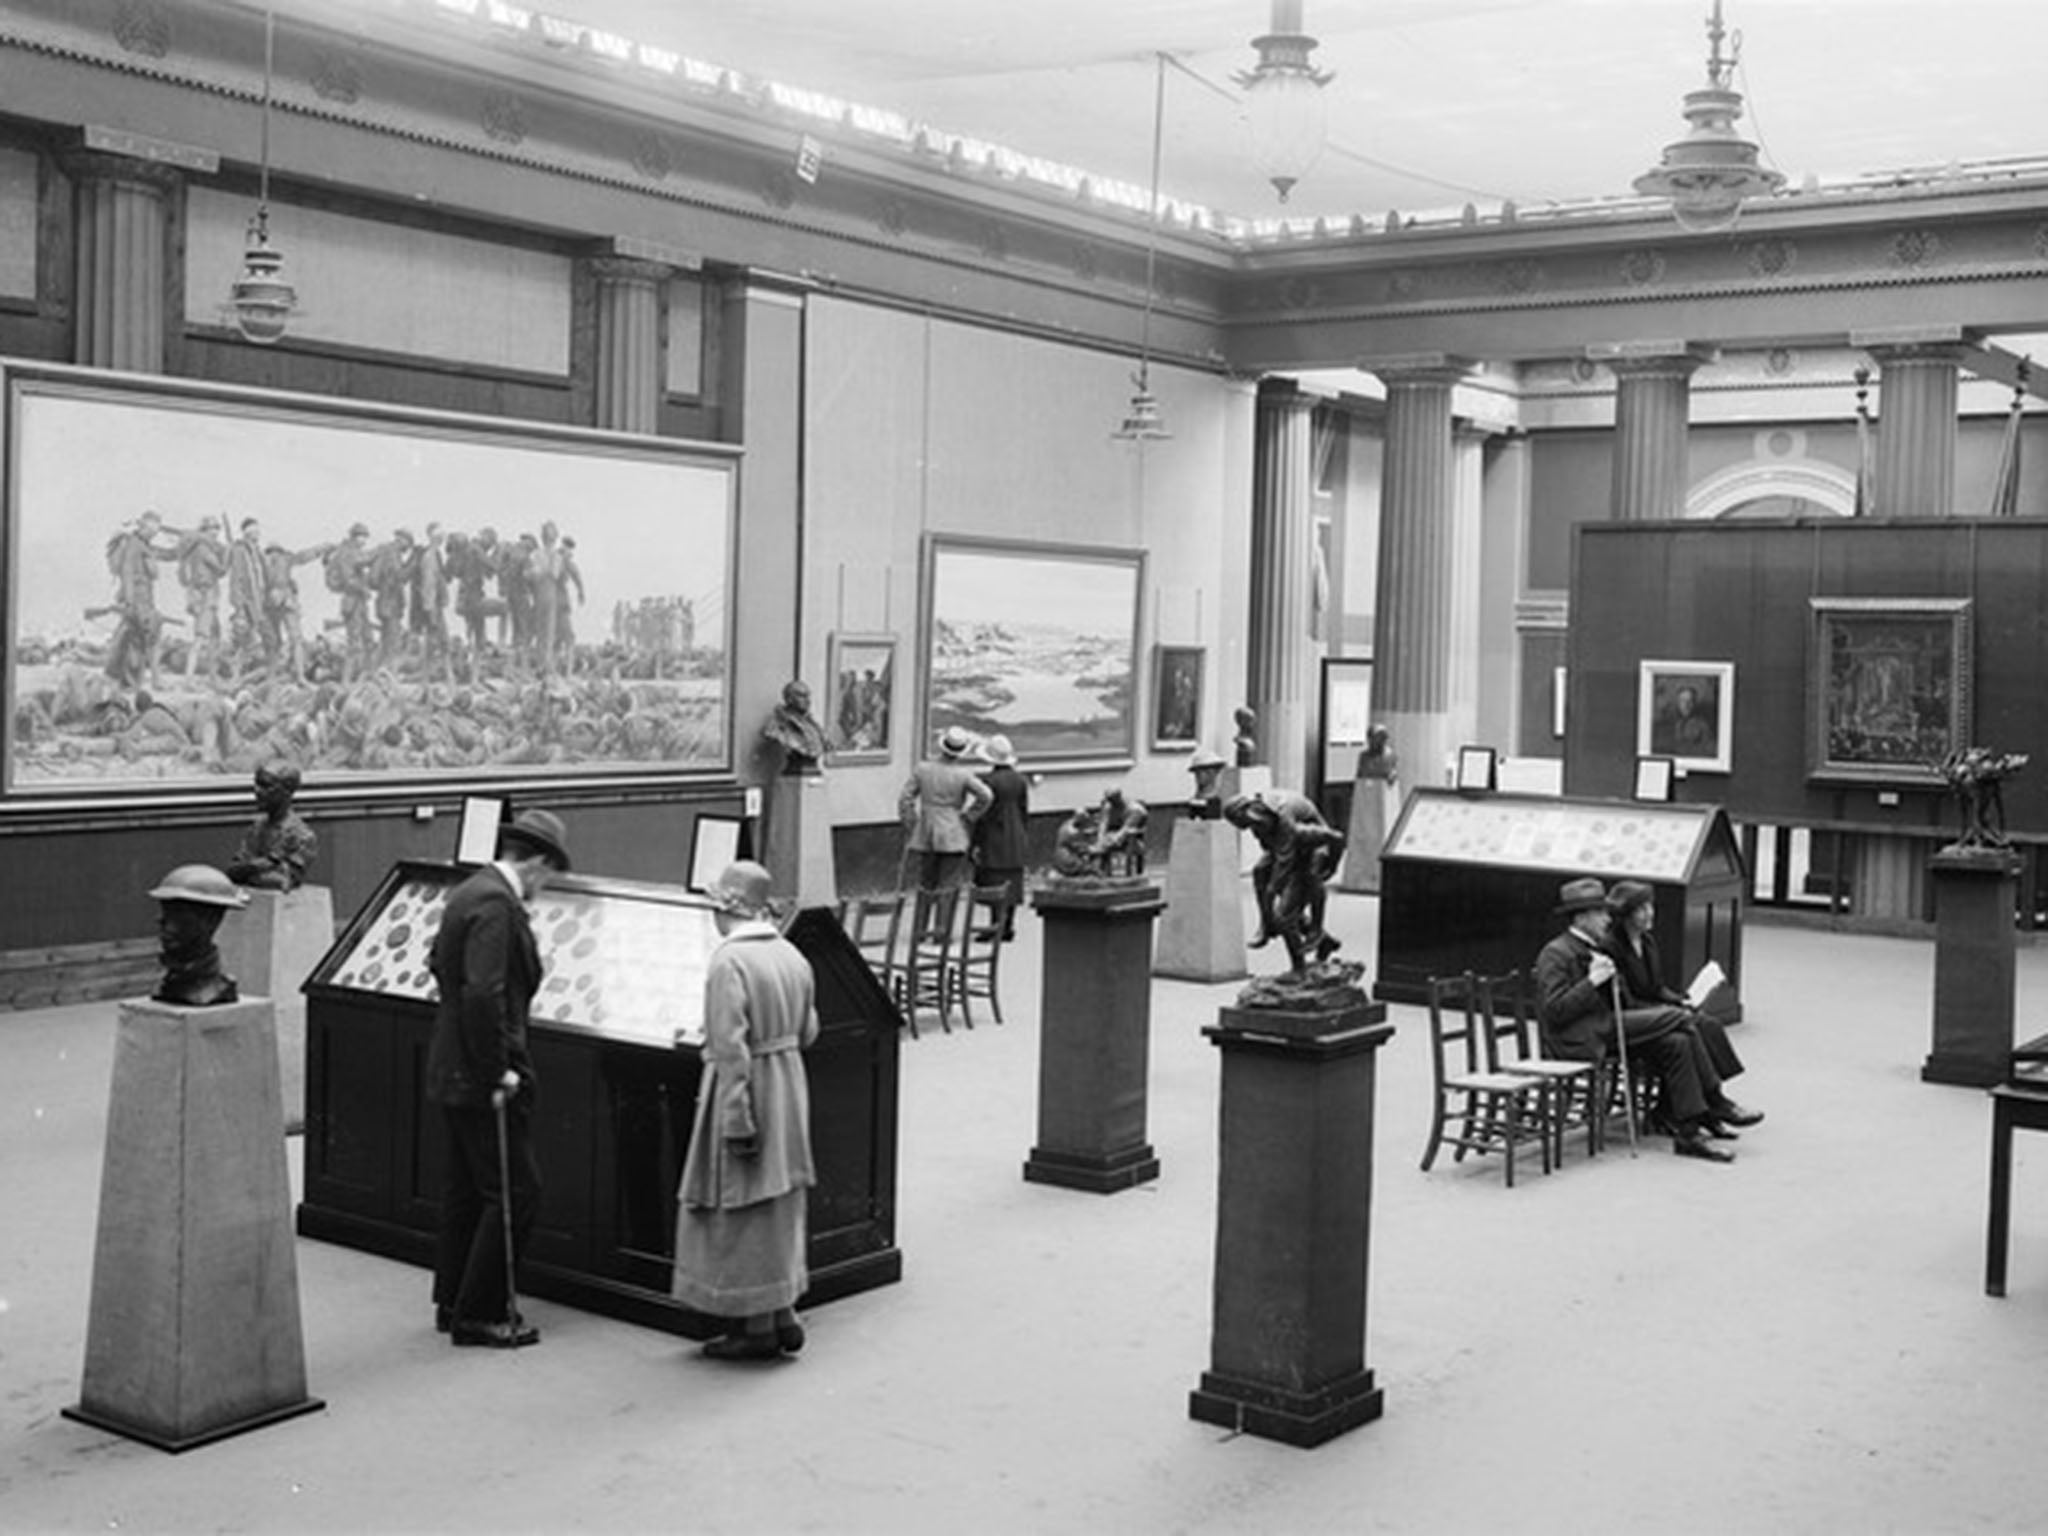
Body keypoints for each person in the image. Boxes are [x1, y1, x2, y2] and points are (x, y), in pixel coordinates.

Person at [424, 807, 571, 1348]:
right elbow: (483, 994)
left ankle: (452, 1299)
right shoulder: (497, 905)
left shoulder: (470, 891)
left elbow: (438, 962)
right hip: (480, 1072)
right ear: (535, 862)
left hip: (452, 1065)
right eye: (548, 875)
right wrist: (499, 1071)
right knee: (516, 1190)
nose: (545, 886)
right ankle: (481, 1312)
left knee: (467, 1186)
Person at [672, 860, 819, 1361]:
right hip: (788, 1085)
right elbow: (809, 1030)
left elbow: (729, 1047)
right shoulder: (792, 954)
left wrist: (736, 1119)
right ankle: (782, 1311)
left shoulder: (728, 963)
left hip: (746, 1089)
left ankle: (752, 1325)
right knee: (779, 1200)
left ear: (724, 909)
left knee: (739, 1207)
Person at [1533, 877, 1759, 1165]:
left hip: (1607, 1026)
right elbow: (1553, 1011)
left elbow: (1624, 996)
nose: (1606, 918)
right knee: (1681, 1018)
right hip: (1582, 1037)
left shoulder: (1596, 947)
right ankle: (1714, 1101)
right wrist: (1592, 982)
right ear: (1581, 917)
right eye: (1600, 913)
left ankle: (1688, 1133)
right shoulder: (1556, 953)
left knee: (1677, 1040)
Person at [1604, 879, 1756, 1096]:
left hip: (1653, 1008)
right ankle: (1712, 1097)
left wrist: (1678, 1000)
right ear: (1626, 915)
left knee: (1707, 1023)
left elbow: (1656, 987)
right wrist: (1666, 1011)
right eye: (1642, 909)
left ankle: (1712, 1095)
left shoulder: (1647, 942)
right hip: (1634, 1015)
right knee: (1686, 1032)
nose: (1649, 913)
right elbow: (1626, 1000)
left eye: (1650, 906)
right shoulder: (1611, 947)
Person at [1223, 791, 1345, 972]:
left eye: (1247, 823)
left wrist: (1332, 866)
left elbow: (1333, 838)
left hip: (1310, 851)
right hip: (1286, 848)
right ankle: (1268, 925)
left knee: (1284, 915)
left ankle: (1300, 966)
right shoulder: (1259, 819)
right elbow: (1274, 851)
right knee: (1260, 873)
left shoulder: (1291, 824)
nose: (1252, 830)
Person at [898, 725, 992, 894]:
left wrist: (911, 823)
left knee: (925, 884)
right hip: (953, 832)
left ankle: (922, 919)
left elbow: (905, 799)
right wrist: (969, 816)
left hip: (926, 830)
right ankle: (944, 919)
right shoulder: (963, 774)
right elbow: (986, 795)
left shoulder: (923, 769)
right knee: (948, 886)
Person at [225, 760, 318, 892]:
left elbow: (282, 882)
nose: (257, 791)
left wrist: (249, 870)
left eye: (266, 785)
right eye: (257, 784)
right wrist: (268, 863)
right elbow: (233, 871)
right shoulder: (257, 828)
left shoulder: (302, 836)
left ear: (286, 791)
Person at [972, 734, 1029, 939]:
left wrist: (975, 841)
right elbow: (1024, 810)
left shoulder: (989, 781)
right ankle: (1008, 925)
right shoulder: (1020, 780)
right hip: (1016, 834)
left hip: (995, 835)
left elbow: (984, 814)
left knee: (993, 879)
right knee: (1012, 881)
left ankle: (995, 925)